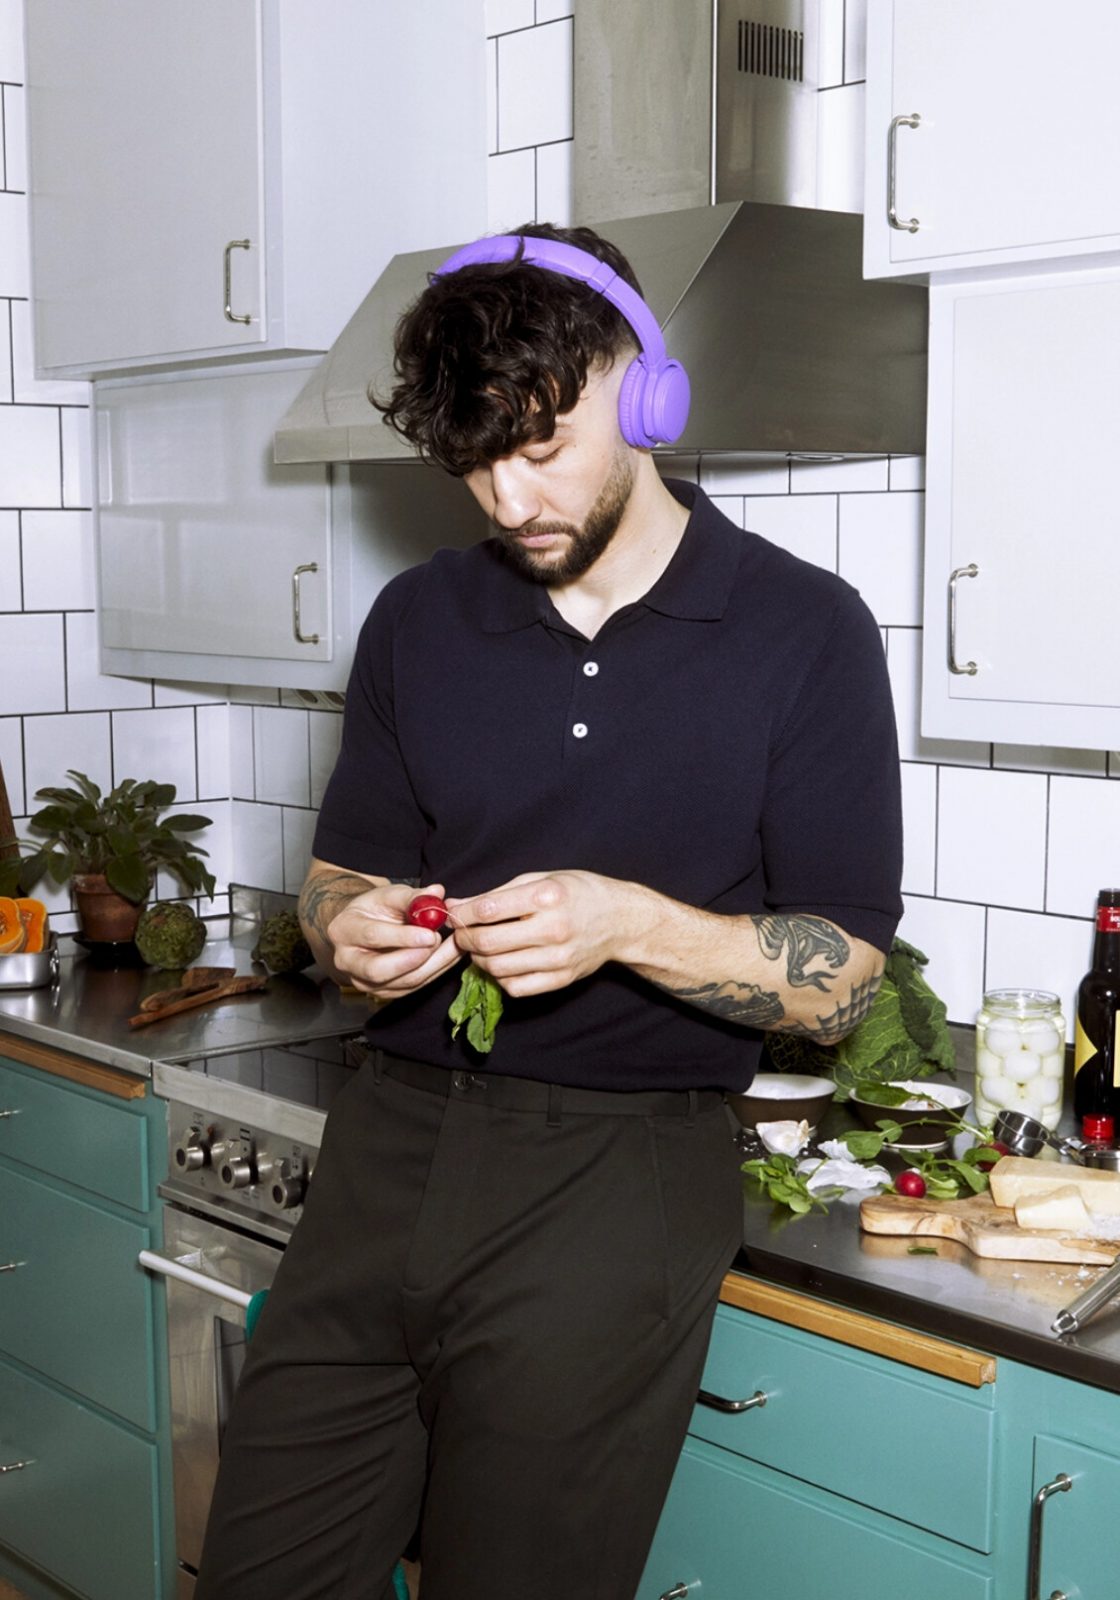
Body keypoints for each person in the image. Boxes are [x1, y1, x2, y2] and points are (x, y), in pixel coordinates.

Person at [194, 222, 903, 1600]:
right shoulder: (416, 619)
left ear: (645, 391)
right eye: (473, 460)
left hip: (617, 1178)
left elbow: (843, 984)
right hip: (385, 1147)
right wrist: (351, 930)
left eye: (539, 443)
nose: (508, 496)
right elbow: (341, 878)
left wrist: (628, 923)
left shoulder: (806, 631)